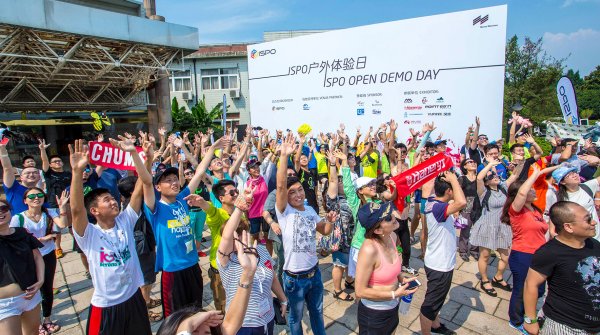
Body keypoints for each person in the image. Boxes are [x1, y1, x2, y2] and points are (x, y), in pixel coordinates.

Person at [70, 138, 153, 334]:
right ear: (94, 211)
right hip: (107, 306)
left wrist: (142, 158)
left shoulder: (125, 220)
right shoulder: (89, 234)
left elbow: (139, 189)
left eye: (113, 198)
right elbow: (76, 210)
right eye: (107, 201)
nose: (114, 202)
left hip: (134, 298)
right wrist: (77, 172)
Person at [144, 136, 228, 317]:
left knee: (196, 309)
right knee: (175, 317)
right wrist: (148, 159)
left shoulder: (182, 200)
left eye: (175, 179)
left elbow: (198, 173)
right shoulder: (155, 207)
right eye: (168, 180)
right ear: (158, 187)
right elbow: (145, 182)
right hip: (173, 271)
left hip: (193, 265)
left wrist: (212, 148)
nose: (174, 182)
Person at [196, 186, 286, 334]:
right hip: (244, 324)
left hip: (268, 318)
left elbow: (273, 277)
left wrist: (283, 299)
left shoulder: (261, 251)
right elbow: (226, 236)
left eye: (241, 233)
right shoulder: (226, 261)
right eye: (233, 236)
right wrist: (239, 208)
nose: (237, 239)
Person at [275, 134, 336, 335]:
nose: (298, 195)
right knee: (296, 317)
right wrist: (284, 156)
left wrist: (330, 221)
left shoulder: (309, 210)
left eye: (300, 190)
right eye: (292, 193)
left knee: (317, 312)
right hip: (294, 278)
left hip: (315, 273)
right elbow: (281, 185)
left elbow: (324, 231)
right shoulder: (284, 211)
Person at [156, 231, 259, 335]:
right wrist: (189, 323)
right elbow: (230, 325)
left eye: (207, 333)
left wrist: (248, 273)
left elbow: (230, 325)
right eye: (193, 332)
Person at [523, 201, 600, 335]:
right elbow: (531, 284)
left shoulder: (594, 244)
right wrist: (530, 320)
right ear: (569, 227)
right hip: (564, 326)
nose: (594, 222)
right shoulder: (549, 252)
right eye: (588, 219)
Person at [500, 164, 554, 334]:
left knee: (538, 289)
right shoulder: (516, 210)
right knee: (521, 288)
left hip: (538, 254)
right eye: (530, 189)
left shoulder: (535, 209)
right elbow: (522, 192)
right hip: (522, 254)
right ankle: (516, 320)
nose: (533, 192)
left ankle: (527, 314)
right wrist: (535, 174)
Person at [10, 188, 69, 333]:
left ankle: (47, 319)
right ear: (25, 200)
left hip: (48, 254)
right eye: (32, 196)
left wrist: (62, 208)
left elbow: (62, 224)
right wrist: (43, 238)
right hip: (28, 259)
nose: (36, 198)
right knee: (31, 290)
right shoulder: (18, 218)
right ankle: (35, 324)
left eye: (39, 195)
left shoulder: (48, 213)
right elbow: (14, 239)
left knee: (47, 288)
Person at [355, 201, 419, 334]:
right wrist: (394, 294)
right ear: (378, 230)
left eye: (391, 213)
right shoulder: (369, 249)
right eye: (388, 217)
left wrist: (401, 278)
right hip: (374, 315)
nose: (394, 217)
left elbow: (387, 269)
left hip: (392, 307)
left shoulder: (391, 237)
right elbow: (360, 291)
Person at [419, 171, 466, 335]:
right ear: (448, 191)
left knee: (437, 299)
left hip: (438, 260)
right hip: (439, 264)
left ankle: (435, 325)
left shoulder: (433, 201)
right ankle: (426, 332)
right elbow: (462, 202)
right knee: (430, 304)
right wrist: (453, 179)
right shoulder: (439, 207)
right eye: (454, 187)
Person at [469, 159, 520, 297]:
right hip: (487, 225)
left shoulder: (503, 187)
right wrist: (490, 165)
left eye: (496, 175)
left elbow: (515, 175)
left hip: (502, 226)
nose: (495, 177)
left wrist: (519, 163)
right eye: (491, 176)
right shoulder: (484, 192)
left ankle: (498, 277)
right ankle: (485, 280)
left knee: (506, 257)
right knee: (485, 255)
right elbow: (479, 177)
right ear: (487, 181)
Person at [117, 176, 162, 322]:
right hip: (141, 247)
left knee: (149, 277)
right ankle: (144, 312)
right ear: (132, 191)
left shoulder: (132, 203)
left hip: (146, 243)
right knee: (145, 280)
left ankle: (148, 300)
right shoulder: (134, 205)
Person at [0, 199, 46, 335]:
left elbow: (37, 257)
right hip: (5, 304)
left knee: (33, 333)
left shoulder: (22, 233)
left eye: (4, 209)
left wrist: (41, 280)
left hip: (31, 296)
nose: (1, 213)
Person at [325, 150, 355, 302]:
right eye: (340, 181)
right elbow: (333, 181)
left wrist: (344, 161)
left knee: (351, 261)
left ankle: (349, 281)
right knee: (339, 264)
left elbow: (347, 178)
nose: (342, 183)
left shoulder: (352, 196)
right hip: (340, 237)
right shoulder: (333, 200)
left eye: (344, 181)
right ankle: (337, 290)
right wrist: (332, 164)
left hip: (353, 236)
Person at [547, 164, 600, 241]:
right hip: (578, 239)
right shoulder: (560, 198)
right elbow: (554, 214)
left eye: (574, 172)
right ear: (562, 182)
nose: (575, 175)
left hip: (596, 235)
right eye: (569, 175)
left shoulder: (587, 187)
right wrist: (552, 231)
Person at [39, 139, 71, 259]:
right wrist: (42, 150)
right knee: (56, 229)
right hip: (54, 204)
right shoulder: (48, 174)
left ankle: (79, 243)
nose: (57, 162)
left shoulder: (68, 174)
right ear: (51, 165)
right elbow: (44, 161)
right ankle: (58, 247)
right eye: (54, 161)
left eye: (59, 161)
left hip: (69, 203)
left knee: (72, 226)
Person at [0, 142, 42, 215]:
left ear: (39, 177)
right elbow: (7, 168)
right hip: (17, 225)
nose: (31, 174)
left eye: (35, 172)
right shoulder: (13, 188)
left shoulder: (41, 194)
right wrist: (2, 149)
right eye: (27, 173)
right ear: (21, 177)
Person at [457, 158, 480, 262]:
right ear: (465, 166)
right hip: (467, 206)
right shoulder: (462, 178)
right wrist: (456, 210)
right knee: (465, 230)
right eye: (469, 162)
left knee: (478, 230)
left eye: (473, 161)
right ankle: (463, 250)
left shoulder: (480, 178)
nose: (472, 163)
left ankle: (475, 250)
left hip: (478, 206)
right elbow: (457, 193)